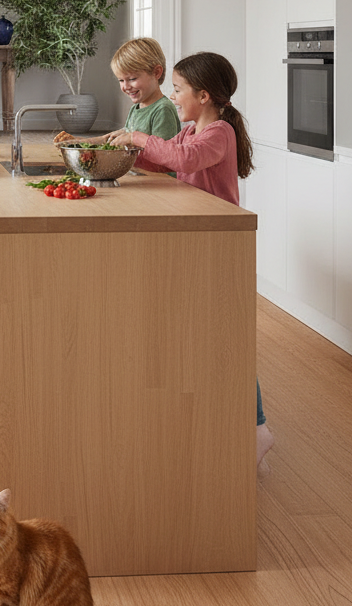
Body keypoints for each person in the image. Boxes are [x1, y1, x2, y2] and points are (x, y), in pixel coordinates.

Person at [108, 50, 274, 467]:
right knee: (207, 334)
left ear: (203, 95)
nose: (174, 97)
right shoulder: (191, 130)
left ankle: (257, 428)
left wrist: (140, 138)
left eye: (178, 90)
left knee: (229, 338)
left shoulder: (217, 133)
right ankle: (214, 417)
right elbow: (163, 155)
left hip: (220, 245)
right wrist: (123, 147)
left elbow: (185, 160)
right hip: (199, 241)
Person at [54, 37, 180, 146]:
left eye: (132, 79)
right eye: (121, 80)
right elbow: (113, 138)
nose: (126, 87)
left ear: (156, 72)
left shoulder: (163, 110)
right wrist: (80, 142)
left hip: (156, 174)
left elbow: (163, 154)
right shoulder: (136, 108)